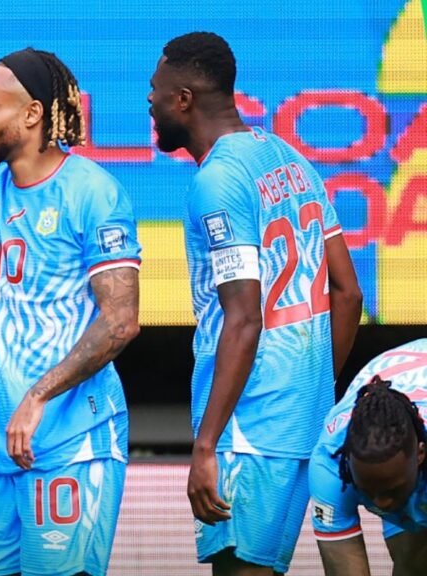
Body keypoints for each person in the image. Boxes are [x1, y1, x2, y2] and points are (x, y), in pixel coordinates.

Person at [0, 47, 141, 576]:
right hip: (1, 450)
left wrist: (39, 395)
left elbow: (121, 320)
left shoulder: (94, 192)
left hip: (74, 444)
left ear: (33, 114)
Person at [147, 31, 363, 575]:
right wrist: (315, 389)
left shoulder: (217, 181)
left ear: (184, 99)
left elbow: (243, 318)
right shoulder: (290, 159)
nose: (148, 101)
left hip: (248, 428)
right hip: (300, 424)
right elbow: (348, 293)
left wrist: (205, 445)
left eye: (156, 90)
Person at [310, 340, 427, 576]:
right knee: (411, 563)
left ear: (420, 454)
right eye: (367, 490)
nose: (381, 503)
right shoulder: (329, 468)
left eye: (392, 490)